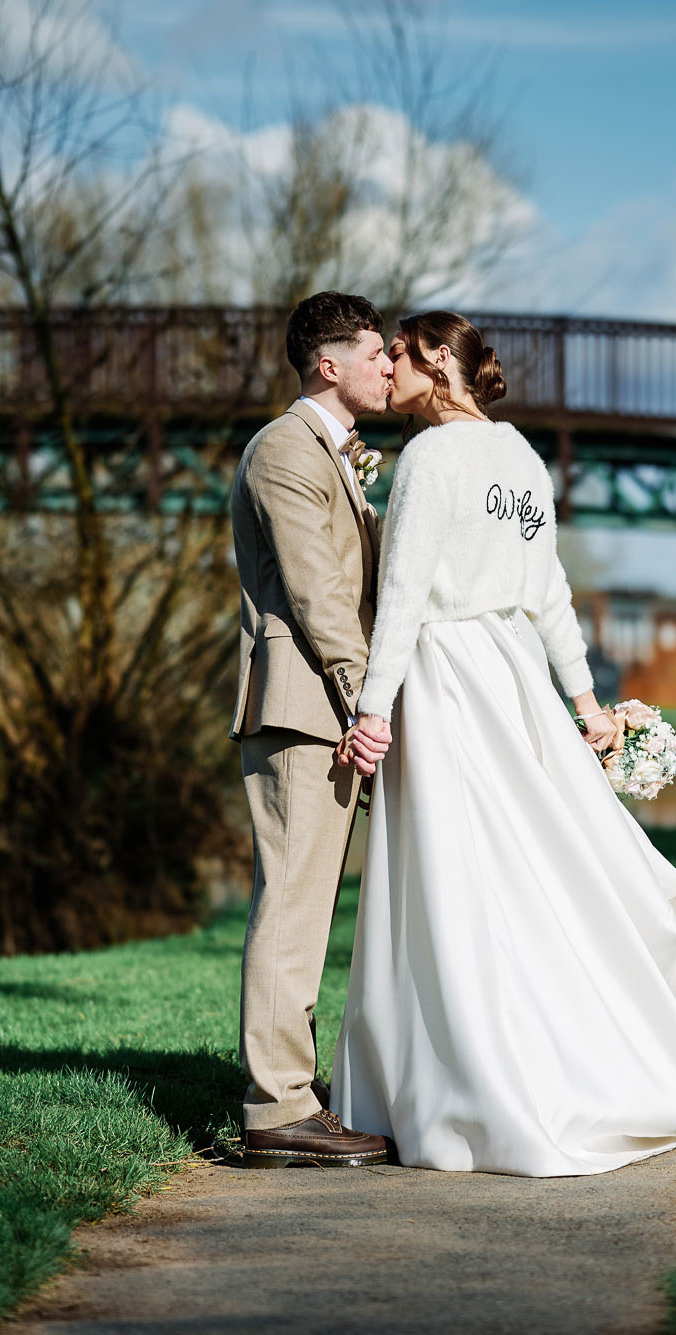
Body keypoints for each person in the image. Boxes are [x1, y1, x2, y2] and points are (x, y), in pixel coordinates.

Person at [330, 311, 676, 1176]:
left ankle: (466, 1077)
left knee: (454, 873)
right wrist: (584, 702)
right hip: (512, 673)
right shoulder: (523, 459)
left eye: (400, 354)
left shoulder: (429, 458)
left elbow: (403, 595)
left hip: (444, 676)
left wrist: (373, 709)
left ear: (438, 359)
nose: (388, 368)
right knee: (526, 866)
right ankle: (562, 1062)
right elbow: (551, 595)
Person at [227, 291, 398, 1169]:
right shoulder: (285, 450)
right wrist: (367, 701)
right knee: (291, 903)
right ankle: (277, 1109)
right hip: (302, 708)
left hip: (321, 707)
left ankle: (294, 1088)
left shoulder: (332, 452)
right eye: (375, 353)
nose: (390, 365)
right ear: (328, 365)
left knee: (307, 905)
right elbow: (317, 592)